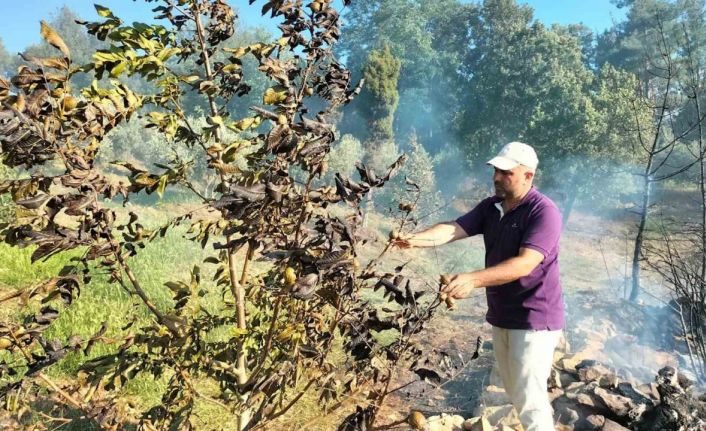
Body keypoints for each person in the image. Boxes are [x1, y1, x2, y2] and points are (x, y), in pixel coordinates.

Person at [393, 141, 564, 431]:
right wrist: (414, 239)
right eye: (496, 170)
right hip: (503, 315)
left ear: (528, 175)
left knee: (530, 399)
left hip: (535, 319)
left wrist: (472, 279)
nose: (497, 177)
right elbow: (454, 228)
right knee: (515, 391)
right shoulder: (491, 207)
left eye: (506, 173)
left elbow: (524, 264)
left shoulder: (543, 212)